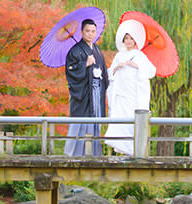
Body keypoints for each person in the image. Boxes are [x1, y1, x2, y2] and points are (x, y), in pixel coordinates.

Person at [104, 19, 156, 155]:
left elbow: (151, 71)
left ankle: (134, 150)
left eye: (131, 38)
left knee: (132, 120)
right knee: (120, 120)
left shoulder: (139, 56)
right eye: (126, 38)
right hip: (121, 94)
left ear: (135, 40)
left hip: (133, 95)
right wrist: (117, 67)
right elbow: (109, 73)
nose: (128, 41)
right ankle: (122, 148)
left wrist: (136, 66)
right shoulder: (119, 55)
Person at [64, 19, 109, 156]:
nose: (90, 34)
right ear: (82, 32)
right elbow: (71, 71)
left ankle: (93, 154)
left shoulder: (96, 50)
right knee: (80, 122)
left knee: (94, 121)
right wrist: (85, 64)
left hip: (96, 91)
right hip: (83, 94)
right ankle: (74, 155)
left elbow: (104, 71)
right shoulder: (75, 51)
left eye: (93, 31)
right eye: (87, 31)